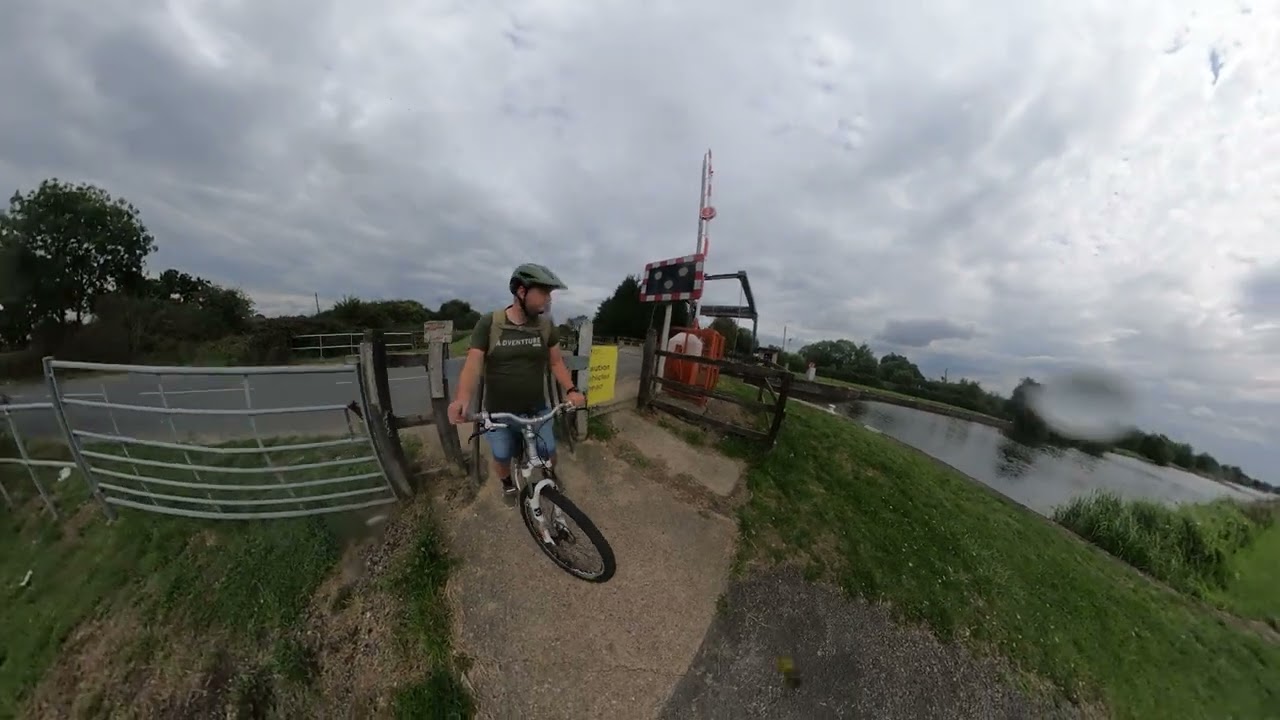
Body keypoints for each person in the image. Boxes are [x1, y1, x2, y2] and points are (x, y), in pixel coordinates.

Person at [448, 263, 587, 502]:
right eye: (543, 292)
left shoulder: (545, 326)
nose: (548, 299)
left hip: (536, 409)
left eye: (550, 294)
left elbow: (555, 363)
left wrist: (571, 389)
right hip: (498, 412)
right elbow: (473, 364)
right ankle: (507, 483)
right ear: (521, 291)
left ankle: (550, 473)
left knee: (548, 450)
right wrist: (462, 399)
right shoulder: (490, 323)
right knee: (502, 454)